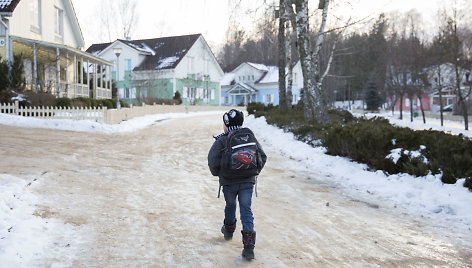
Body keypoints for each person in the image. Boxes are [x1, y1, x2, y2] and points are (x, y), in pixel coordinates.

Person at [208, 109, 267, 260]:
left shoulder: (222, 140)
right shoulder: (248, 136)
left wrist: (220, 174)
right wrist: (253, 172)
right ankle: (249, 248)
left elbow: (213, 161)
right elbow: (262, 156)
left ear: (226, 125)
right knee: (246, 210)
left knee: (230, 205)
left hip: (229, 182)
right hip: (247, 181)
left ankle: (228, 231)